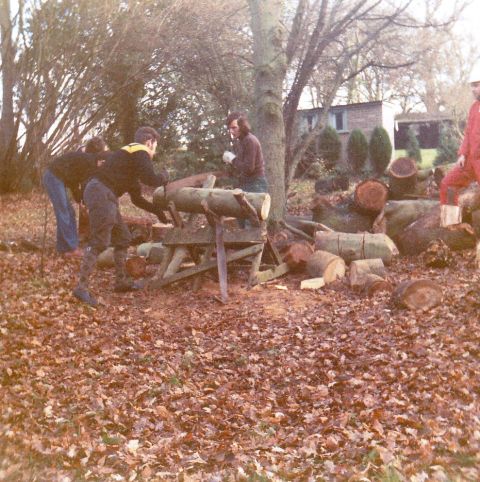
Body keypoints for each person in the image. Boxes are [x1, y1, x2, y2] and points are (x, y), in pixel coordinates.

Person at [73, 126, 169, 307]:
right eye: (155, 146)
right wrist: (163, 177)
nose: (154, 151)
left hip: (103, 192)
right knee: (100, 241)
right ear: (149, 142)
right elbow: (150, 179)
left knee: (123, 237)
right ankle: (81, 288)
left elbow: (137, 199)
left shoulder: (129, 160)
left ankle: (121, 282)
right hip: (101, 192)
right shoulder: (139, 149)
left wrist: (158, 212)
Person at [43, 136, 107, 257]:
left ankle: (64, 247)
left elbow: (74, 183)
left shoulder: (84, 160)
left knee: (69, 212)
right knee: (64, 212)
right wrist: (83, 202)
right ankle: (70, 249)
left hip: (56, 178)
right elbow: (83, 184)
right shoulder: (89, 161)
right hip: (53, 177)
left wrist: (80, 201)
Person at [440, 68, 480, 209]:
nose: (473, 89)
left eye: (476, 85)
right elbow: (468, 133)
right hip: (470, 161)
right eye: (472, 86)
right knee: (447, 183)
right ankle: (450, 219)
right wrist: (462, 154)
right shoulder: (474, 108)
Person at [223, 112, 268, 227]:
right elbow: (242, 165)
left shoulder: (250, 140)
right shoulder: (242, 141)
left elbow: (248, 168)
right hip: (247, 183)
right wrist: (232, 161)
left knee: (251, 223)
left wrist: (232, 160)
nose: (231, 131)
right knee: (241, 219)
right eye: (229, 128)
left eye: (234, 128)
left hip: (255, 184)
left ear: (242, 126)